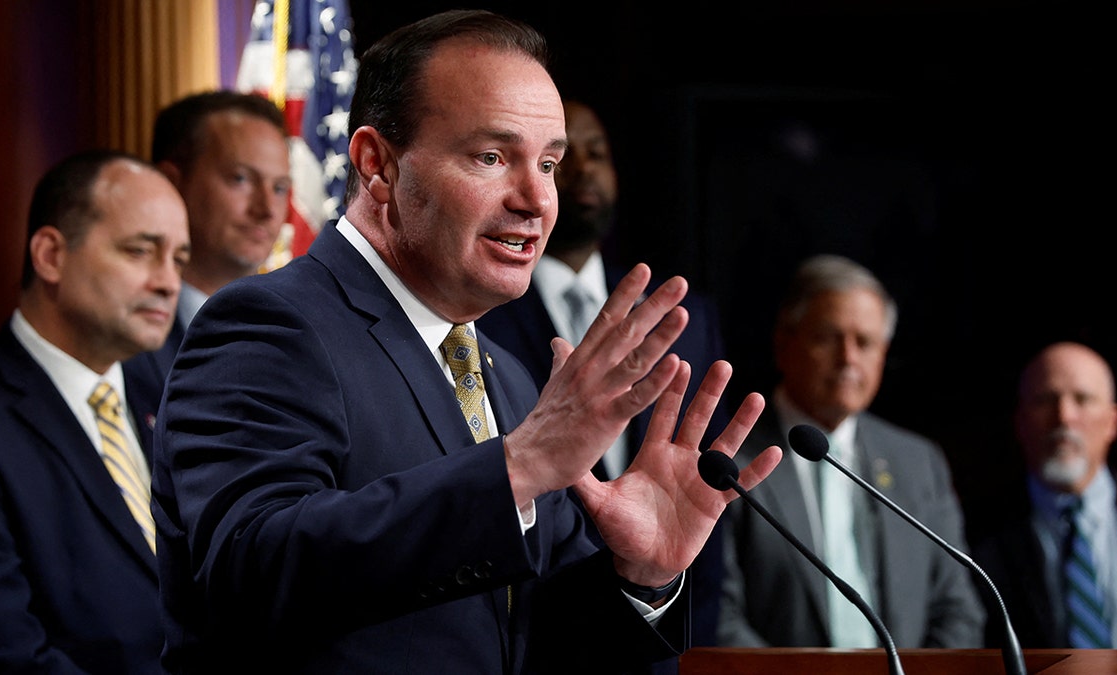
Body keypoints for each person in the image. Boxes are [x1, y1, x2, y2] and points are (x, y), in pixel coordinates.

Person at [152, 9, 780, 674]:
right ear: (377, 165)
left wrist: (641, 577)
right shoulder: (268, 325)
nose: (537, 198)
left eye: (548, 162)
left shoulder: (505, 376)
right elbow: (250, 571)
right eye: (491, 157)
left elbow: (529, 643)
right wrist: (516, 468)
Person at [477, 97, 729, 658]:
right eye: (559, 159)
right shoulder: (481, 315)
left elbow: (700, 491)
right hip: (529, 631)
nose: (585, 170)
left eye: (599, 153)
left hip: (653, 622)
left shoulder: (680, 314)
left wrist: (681, 639)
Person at [0, 150, 190, 673]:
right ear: (50, 255)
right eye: (140, 251)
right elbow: (2, 655)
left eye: (178, 260)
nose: (168, 282)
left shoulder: (170, 397)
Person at [718, 253, 984, 649]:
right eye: (828, 337)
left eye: (865, 342)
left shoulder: (918, 461)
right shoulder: (729, 459)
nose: (849, 359)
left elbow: (958, 610)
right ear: (783, 342)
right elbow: (719, 616)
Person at [971, 341, 1117, 648]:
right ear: (1020, 422)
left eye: (1083, 399)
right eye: (1045, 400)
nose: (1064, 417)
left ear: (1113, 422)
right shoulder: (976, 534)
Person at [128, 89, 290, 387]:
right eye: (240, 179)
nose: (266, 209)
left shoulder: (294, 336)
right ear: (171, 183)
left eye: (279, 188)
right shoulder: (123, 338)